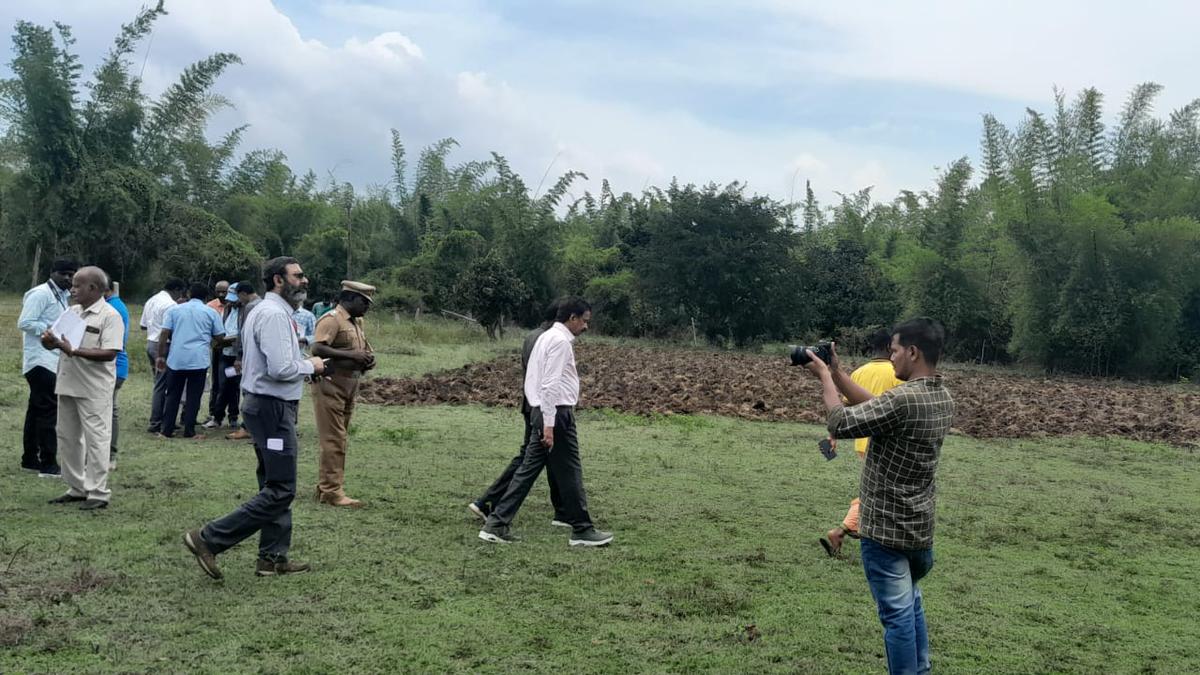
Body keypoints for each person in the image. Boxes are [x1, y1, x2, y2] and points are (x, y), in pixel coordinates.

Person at [800, 318, 954, 675]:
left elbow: (839, 422)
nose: (892, 356)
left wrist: (824, 376)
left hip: (885, 533)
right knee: (911, 605)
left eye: (896, 350)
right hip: (919, 533)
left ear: (913, 352)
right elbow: (878, 409)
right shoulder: (941, 397)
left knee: (897, 618)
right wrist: (839, 372)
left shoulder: (902, 400)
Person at [183, 256, 326, 579]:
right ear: (278, 280)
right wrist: (312, 366)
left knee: (272, 483)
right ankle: (208, 538)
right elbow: (281, 369)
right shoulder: (273, 315)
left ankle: (272, 557)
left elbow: (275, 359)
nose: (304, 281)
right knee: (282, 488)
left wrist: (301, 362)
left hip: (266, 407)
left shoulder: (268, 312)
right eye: (298, 276)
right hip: (272, 409)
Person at [479, 298, 612, 547]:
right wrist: (549, 424)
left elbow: (534, 380)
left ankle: (496, 524)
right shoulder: (560, 342)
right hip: (556, 413)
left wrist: (541, 415)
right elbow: (550, 385)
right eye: (584, 321)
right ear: (572, 318)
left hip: (542, 410)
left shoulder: (545, 337)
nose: (586, 327)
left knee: (531, 470)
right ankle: (581, 529)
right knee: (569, 470)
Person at [468, 300, 570, 526]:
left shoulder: (533, 335)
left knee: (545, 457)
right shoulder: (549, 339)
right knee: (531, 458)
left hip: (531, 404)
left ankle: (563, 511)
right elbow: (547, 380)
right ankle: (490, 503)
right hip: (541, 407)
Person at [41, 266, 123, 510]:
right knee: (67, 437)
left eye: (77, 285)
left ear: (93, 288)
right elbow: (56, 342)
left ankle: (98, 492)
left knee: (96, 439)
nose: (72, 289)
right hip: (67, 382)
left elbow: (110, 353)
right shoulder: (72, 311)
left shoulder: (110, 315)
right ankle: (77, 487)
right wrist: (48, 342)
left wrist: (73, 350)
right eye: (73, 285)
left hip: (93, 387)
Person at [820, 328, 904, 557]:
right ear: (890, 348)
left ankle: (861, 532)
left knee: (877, 490)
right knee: (879, 493)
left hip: (862, 443)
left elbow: (845, 408)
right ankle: (843, 529)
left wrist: (833, 435)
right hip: (889, 442)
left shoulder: (858, 373)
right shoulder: (898, 373)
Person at [310, 281, 376, 507]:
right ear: (349, 298)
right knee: (333, 439)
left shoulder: (356, 322)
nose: (367, 306)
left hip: (349, 385)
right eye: (364, 302)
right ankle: (332, 491)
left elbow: (359, 350)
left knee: (340, 437)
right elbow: (317, 348)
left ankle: (325, 487)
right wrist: (351, 356)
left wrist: (365, 359)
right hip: (330, 384)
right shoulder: (331, 319)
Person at [17, 258, 77, 477]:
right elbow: (24, 322)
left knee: (36, 410)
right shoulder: (41, 293)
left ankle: (30, 459)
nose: (69, 279)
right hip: (39, 360)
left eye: (72, 275)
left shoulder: (62, 295)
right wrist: (50, 330)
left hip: (51, 359)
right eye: (64, 274)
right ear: (53, 273)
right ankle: (48, 464)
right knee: (48, 412)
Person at [156, 283, 224, 439]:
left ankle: (166, 430)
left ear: (188, 294)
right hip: (198, 360)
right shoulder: (210, 312)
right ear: (207, 297)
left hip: (176, 359)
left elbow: (164, 333)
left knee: (172, 395)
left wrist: (160, 356)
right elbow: (220, 336)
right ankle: (189, 430)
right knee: (194, 396)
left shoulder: (175, 310)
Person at [141, 279, 187, 434]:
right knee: (163, 385)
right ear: (176, 289)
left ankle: (162, 419)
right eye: (180, 292)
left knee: (159, 382)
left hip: (150, 342)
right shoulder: (171, 305)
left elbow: (143, 325)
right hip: (163, 346)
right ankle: (157, 422)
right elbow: (168, 330)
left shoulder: (151, 300)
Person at [225, 283, 261, 441]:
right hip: (259, 355)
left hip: (248, 355)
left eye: (238, 297)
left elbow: (244, 333)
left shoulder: (250, 307)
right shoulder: (265, 303)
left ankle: (247, 427)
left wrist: (239, 356)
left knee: (248, 391)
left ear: (243, 294)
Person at [104, 279, 131, 472]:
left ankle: (109, 455)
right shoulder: (115, 305)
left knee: (107, 411)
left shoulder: (111, 309)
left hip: (113, 366)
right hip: (115, 367)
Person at [211, 283, 244, 433]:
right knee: (222, 385)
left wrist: (238, 354)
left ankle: (233, 417)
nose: (228, 300)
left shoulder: (246, 311)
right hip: (224, 353)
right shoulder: (228, 309)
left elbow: (242, 335)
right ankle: (217, 417)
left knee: (234, 387)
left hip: (237, 355)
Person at [203, 280, 231, 429]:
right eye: (218, 291)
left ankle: (232, 414)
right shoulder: (210, 307)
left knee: (231, 382)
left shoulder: (235, 306)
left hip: (232, 349)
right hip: (217, 348)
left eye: (224, 291)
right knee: (216, 382)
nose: (221, 294)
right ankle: (213, 412)